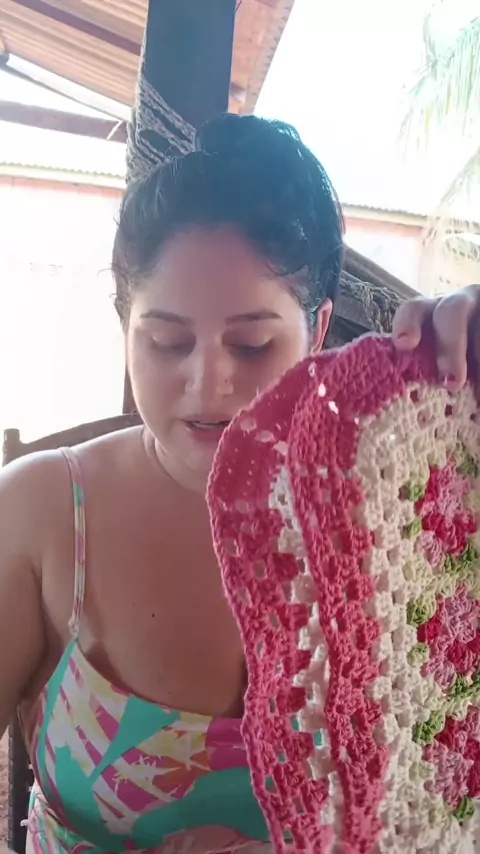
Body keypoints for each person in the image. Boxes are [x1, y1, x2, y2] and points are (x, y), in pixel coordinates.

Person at [0, 114, 479, 854]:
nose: (208, 382)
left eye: (252, 344)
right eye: (166, 341)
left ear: (318, 330)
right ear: (124, 326)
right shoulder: (42, 512)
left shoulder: (409, 511)